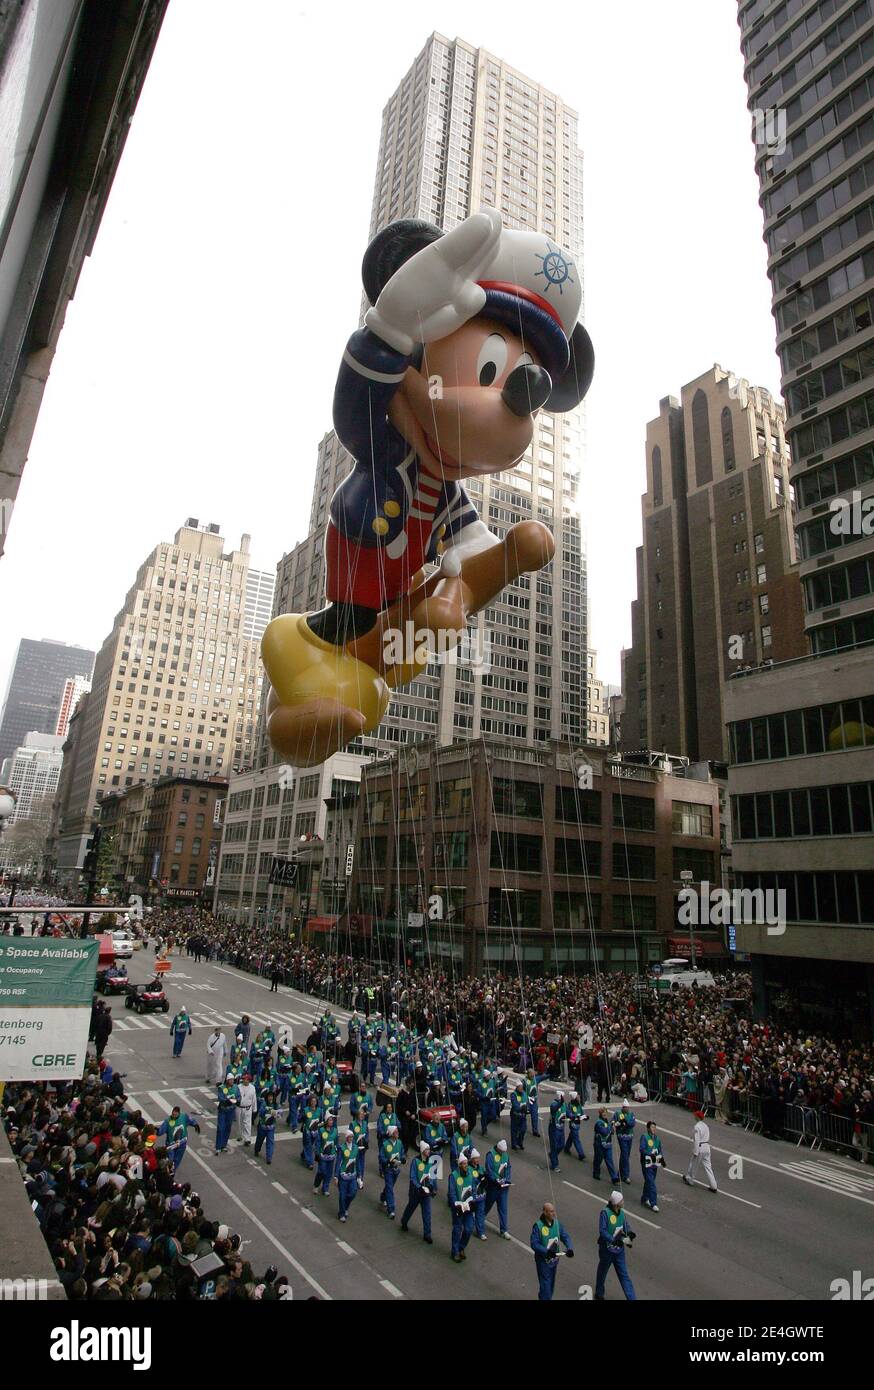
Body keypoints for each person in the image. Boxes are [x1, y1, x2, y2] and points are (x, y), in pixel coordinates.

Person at [595, 1190, 637, 1301]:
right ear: (616, 1203)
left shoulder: (621, 1213)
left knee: (624, 1276)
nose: (623, 1201)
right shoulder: (605, 1213)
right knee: (602, 1272)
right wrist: (613, 1240)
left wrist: (630, 1232)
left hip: (619, 1250)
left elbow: (625, 1225)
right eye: (622, 1200)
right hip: (606, 1249)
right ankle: (599, 1293)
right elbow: (602, 1231)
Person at [530, 1201, 573, 1301]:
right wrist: (546, 1251)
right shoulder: (538, 1226)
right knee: (546, 1287)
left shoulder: (557, 1224)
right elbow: (534, 1244)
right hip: (543, 1262)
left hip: (554, 1261)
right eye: (551, 1211)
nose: (553, 1213)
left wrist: (569, 1248)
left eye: (554, 1211)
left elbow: (565, 1236)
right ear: (544, 1212)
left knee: (550, 1286)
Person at [400, 1142, 435, 1243]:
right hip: (416, 1191)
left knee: (427, 1213)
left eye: (429, 1149)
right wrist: (419, 1187)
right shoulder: (415, 1161)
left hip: (426, 1192)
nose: (429, 1151)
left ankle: (427, 1234)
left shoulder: (431, 1162)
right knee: (411, 1207)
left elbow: (432, 1176)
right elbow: (413, 1177)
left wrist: (430, 1185)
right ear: (423, 1151)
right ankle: (404, 1221)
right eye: (427, 1149)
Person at [156, 1106, 201, 1173]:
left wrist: (195, 1124)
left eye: (175, 1115)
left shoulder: (184, 1117)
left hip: (181, 1144)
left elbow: (191, 1120)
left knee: (177, 1160)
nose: (173, 1116)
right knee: (170, 1160)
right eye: (172, 1114)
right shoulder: (168, 1121)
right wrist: (156, 1130)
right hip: (171, 1145)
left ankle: (172, 1172)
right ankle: (168, 1171)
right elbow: (160, 1131)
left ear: (179, 1113)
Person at [449, 1154, 476, 1262]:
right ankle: (455, 1252)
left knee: (469, 1228)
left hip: (468, 1206)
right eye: (464, 1164)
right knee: (457, 1229)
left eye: (466, 1163)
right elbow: (452, 1193)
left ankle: (461, 1247)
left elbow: (474, 1188)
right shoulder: (454, 1176)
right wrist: (457, 1204)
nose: (466, 1165)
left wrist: (473, 1199)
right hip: (459, 1208)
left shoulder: (470, 1173)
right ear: (459, 1165)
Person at [683, 1109, 718, 1192]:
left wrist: (696, 1151)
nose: (694, 1116)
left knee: (694, 1164)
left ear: (697, 1117)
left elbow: (697, 1139)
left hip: (700, 1146)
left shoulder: (697, 1126)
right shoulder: (706, 1126)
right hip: (707, 1147)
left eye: (695, 1115)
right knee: (708, 1167)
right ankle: (714, 1186)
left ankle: (690, 1179)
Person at [484, 1139, 512, 1239]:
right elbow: (489, 1169)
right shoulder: (490, 1155)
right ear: (498, 1149)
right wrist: (495, 1180)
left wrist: (508, 1180)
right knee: (487, 1205)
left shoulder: (505, 1155)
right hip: (493, 1186)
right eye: (501, 1151)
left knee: (503, 1208)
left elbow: (508, 1168)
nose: (503, 1153)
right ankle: (479, 1219)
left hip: (503, 1188)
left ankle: (503, 1230)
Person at [378, 1125, 405, 1219]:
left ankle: (383, 1196)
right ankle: (391, 1209)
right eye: (395, 1131)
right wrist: (387, 1161)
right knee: (390, 1188)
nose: (397, 1133)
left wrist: (403, 1159)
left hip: (396, 1169)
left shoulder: (399, 1143)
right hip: (388, 1169)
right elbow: (381, 1157)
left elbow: (402, 1153)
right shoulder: (385, 1144)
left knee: (390, 1186)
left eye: (397, 1131)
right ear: (391, 1134)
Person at [335, 1127, 360, 1222]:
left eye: (352, 1137)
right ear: (346, 1138)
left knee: (353, 1193)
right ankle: (342, 1213)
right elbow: (338, 1162)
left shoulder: (356, 1148)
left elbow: (357, 1162)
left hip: (352, 1175)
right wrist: (336, 1176)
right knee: (342, 1195)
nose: (351, 1139)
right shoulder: (342, 1148)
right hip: (343, 1176)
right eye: (349, 1137)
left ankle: (345, 1207)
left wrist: (359, 1176)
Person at [640, 1120, 665, 1211]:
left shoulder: (657, 1138)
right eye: (652, 1127)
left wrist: (660, 1157)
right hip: (647, 1163)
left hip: (654, 1163)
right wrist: (650, 1154)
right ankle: (653, 1203)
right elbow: (642, 1150)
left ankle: (644, 1198)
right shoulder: (645, 1137)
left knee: (649, 1181)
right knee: (651, 1183)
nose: (654, 1129)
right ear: (648, 1128)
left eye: (655, 1127)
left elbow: (659, 1149)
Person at [314, 1114, 339, 1196]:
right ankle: (316, 1185)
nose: (331, 1122)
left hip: (331, 1156)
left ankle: (325, 1188)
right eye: (329, 1120)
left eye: (332, 1120)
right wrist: (317, 1153)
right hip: (323, 1156)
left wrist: (336, 1150)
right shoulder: (321, 1130)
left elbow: (336, 1142)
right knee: (322, 1171)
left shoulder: (335, 1130)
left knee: (329, 1173)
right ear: (326, 1121)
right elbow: (318, 1143)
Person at [215, 1073, 240, 1155]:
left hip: (231, 1111)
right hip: (223, 1111)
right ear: (227, 1080)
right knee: (220, 1128)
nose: (232, 1081)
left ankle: (224, 1145)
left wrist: (237, 1101)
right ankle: (218, 1147)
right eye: (230, 1080)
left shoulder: (236, 1087)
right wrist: (228, 1101)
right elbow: (221, 1098)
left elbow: (238, 1097)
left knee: (228, 1128)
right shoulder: (222, 1088)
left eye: (233, 1079)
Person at [593, 1108, 619, 1183]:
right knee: (598, 1160)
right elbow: (604, 1132)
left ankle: (614, 1177)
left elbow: (611, 1132)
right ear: (600, 1114)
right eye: (603, 1113)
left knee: (609, 1160)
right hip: (599, 1144)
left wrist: (613, 1129)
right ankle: (596, 1173)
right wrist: (611, 1126)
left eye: (605, 1112)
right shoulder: (599, 1123)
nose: (605, 1114)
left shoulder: (607, 1122)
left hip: (608, 1144)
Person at [613, 1102, 636, 1182]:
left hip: (629, 1136)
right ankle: (626, 1175)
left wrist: (625, 1122)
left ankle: (620, 1173)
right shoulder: (617, 1114)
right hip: (621, 1136)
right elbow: (613, 1122)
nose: (627, 1109)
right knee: (625, 1154)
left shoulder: (631, 1114)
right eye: (625, 1107)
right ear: (622, 1107)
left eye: (628, 1107)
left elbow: (632, 1123)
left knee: (625, 1155)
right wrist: (616, 1124)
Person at [254, 1089, 278, 1165]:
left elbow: (280, 1114)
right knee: (259, 1140)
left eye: (272, 1097)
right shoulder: (263, 1103)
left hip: (271, 1127)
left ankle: (269, 1158)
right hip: (262, 1126)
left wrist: (277, 1113)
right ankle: (257, 1150)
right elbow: (260, 1113)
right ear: (267, 1097)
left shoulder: (276, 1104)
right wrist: (265, 1110)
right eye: (270, 1096)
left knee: (270, 1142)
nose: (271, 1098)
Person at [564, 1091, 589, 1162]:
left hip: (578, 1123)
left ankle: (566, 1148)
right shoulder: (570, 1105)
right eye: (577, 1097)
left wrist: (584, 1117)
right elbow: (568, 1113)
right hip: (573, 1124)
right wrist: (575, 1116)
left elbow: (582, 1113)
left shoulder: (578, 1105)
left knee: (571, 1136)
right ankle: (581, 1154)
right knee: (576, 1138)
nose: (578, 1098)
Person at [548, 1092, 567, 1173]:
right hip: (554, 1128)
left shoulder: (564, 1105)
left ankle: (552, 1155)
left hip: (561, 1128)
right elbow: (554, 1108)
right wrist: (560, 1103)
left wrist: (577, 1117)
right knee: (554, 1146)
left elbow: (568, 1113)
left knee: (562, 1145)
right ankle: (554, 1165)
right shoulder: (553, 1104)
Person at [237, 1073, 257, 1147]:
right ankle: (240, 1135)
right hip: (239, 1107)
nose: (245, 1080)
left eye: (247, 1079)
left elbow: (254, 1099)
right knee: (240, 1122)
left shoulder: (252, 1088)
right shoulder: (238, 1087)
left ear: (249, 1080)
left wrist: (255, 1108)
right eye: (244, 1079)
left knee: (247, 1123)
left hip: (248, 1108)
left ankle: (247, 1139)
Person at [510, 1081, 528, 1151]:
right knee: (514, 1130)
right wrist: (521, 1109)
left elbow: (527, 1103)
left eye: (522, 1087)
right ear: (517, 1088)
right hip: (515, 1115)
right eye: (520, 1087)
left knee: (523, 1129)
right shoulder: (513, 1095)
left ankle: (519, 1142)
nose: (521, 1088)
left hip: (523, 1116)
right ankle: (514, 1144)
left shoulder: (524, 1094)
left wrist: (527, 1109)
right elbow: (515, 1105)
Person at [526, 1069, 541, 1138]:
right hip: (527, 1101)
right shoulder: (524, 1081)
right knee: (523, 1115)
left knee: (535, 1115)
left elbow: (543, 1077)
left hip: (534, 1101)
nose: (532, 1076)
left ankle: (535, 1130)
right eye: (531, 1074)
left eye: (533, 1074)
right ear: (528, 1074)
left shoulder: (536, 1079)